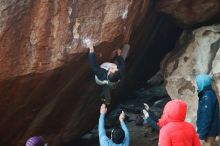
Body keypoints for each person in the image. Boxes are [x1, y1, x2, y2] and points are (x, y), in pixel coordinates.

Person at [196, 74, 219, 146]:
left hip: (210, 132)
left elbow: (206, 116)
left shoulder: (207, 96)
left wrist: (201, 133)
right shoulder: (208, 94)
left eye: (198, 83)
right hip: (210, 130)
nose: (197, 85)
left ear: (203, 83)